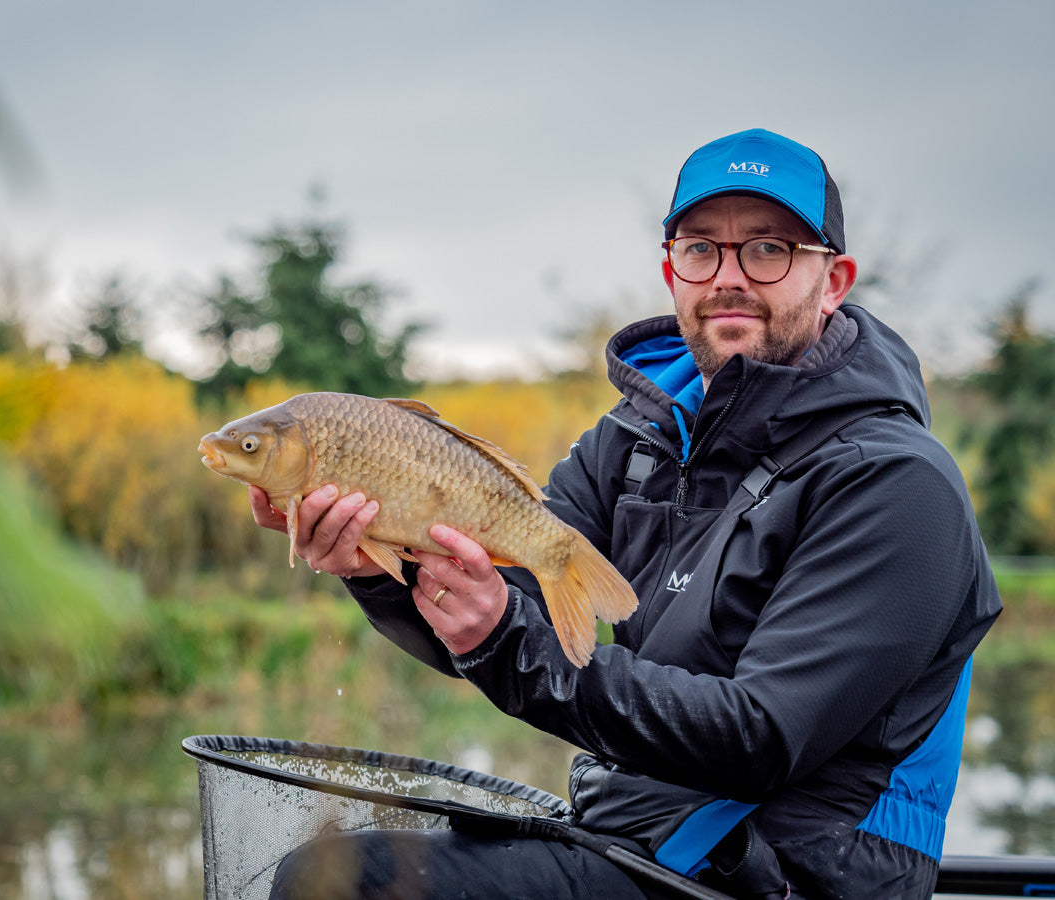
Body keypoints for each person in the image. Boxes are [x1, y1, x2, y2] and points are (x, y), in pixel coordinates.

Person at [249, 128, 1002, 899]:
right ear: (672, 270)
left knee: (339, 882)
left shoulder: (896, 482)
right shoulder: (634, 440)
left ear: (833, 279)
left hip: (780, 878)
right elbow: (505, 613)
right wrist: (382, 566)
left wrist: (504, 643)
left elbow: (761, 738)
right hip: (637, 843)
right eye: (701, 250)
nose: (728, 278)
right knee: (344, 862)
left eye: (768, 250)